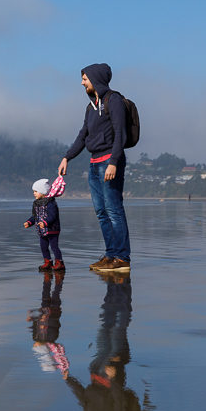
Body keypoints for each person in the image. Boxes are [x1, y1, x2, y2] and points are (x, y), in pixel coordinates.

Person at [64, 275, 157, 411]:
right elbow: (119, 403)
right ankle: (123, 286)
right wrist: (113, 379)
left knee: (105, 325)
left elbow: (84, 402)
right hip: (110, 373)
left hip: (95, 370)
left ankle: (114, 285)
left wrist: (69, 380)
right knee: (117, 327)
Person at [58, 63, 131, 273]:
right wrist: (67, 157)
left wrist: (114, 162)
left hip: (109, 161)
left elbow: (120, 134)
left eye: (84, 78)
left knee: (114, 210)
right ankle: (110, 255)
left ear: (95, 78)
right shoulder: (91, 107)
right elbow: (83, 136)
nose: (82, 82)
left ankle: (122, 258)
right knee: (101, 212)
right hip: (94, 163)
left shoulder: (113, 100)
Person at [23, 178, 65, 272]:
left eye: (36, 191)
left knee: (54, 247)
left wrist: (45, 222)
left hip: (52, 229)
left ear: (43, 192)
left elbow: (53, 216)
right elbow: (35, 216)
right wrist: (29, 222)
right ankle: (48, 262)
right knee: (43, 247)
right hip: (42, 230)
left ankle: (59, 262)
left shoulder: (51, 203)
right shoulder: (36, 204)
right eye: (33, 191)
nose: (34, 193)